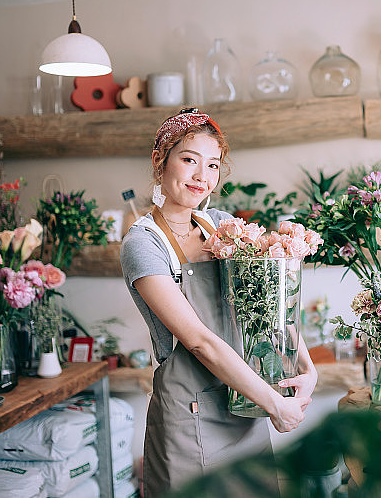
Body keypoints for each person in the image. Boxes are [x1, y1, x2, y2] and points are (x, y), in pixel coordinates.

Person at [121, 108, 318, 497]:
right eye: (189, 160)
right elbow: (198, 340)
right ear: (162, 161)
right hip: (189, 413)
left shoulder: (221, 225)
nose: (201, 176)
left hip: (243, 402)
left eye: (212, 165)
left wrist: (305, 367)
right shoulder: (143, 244)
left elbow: (268, 304)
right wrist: (275, 405)